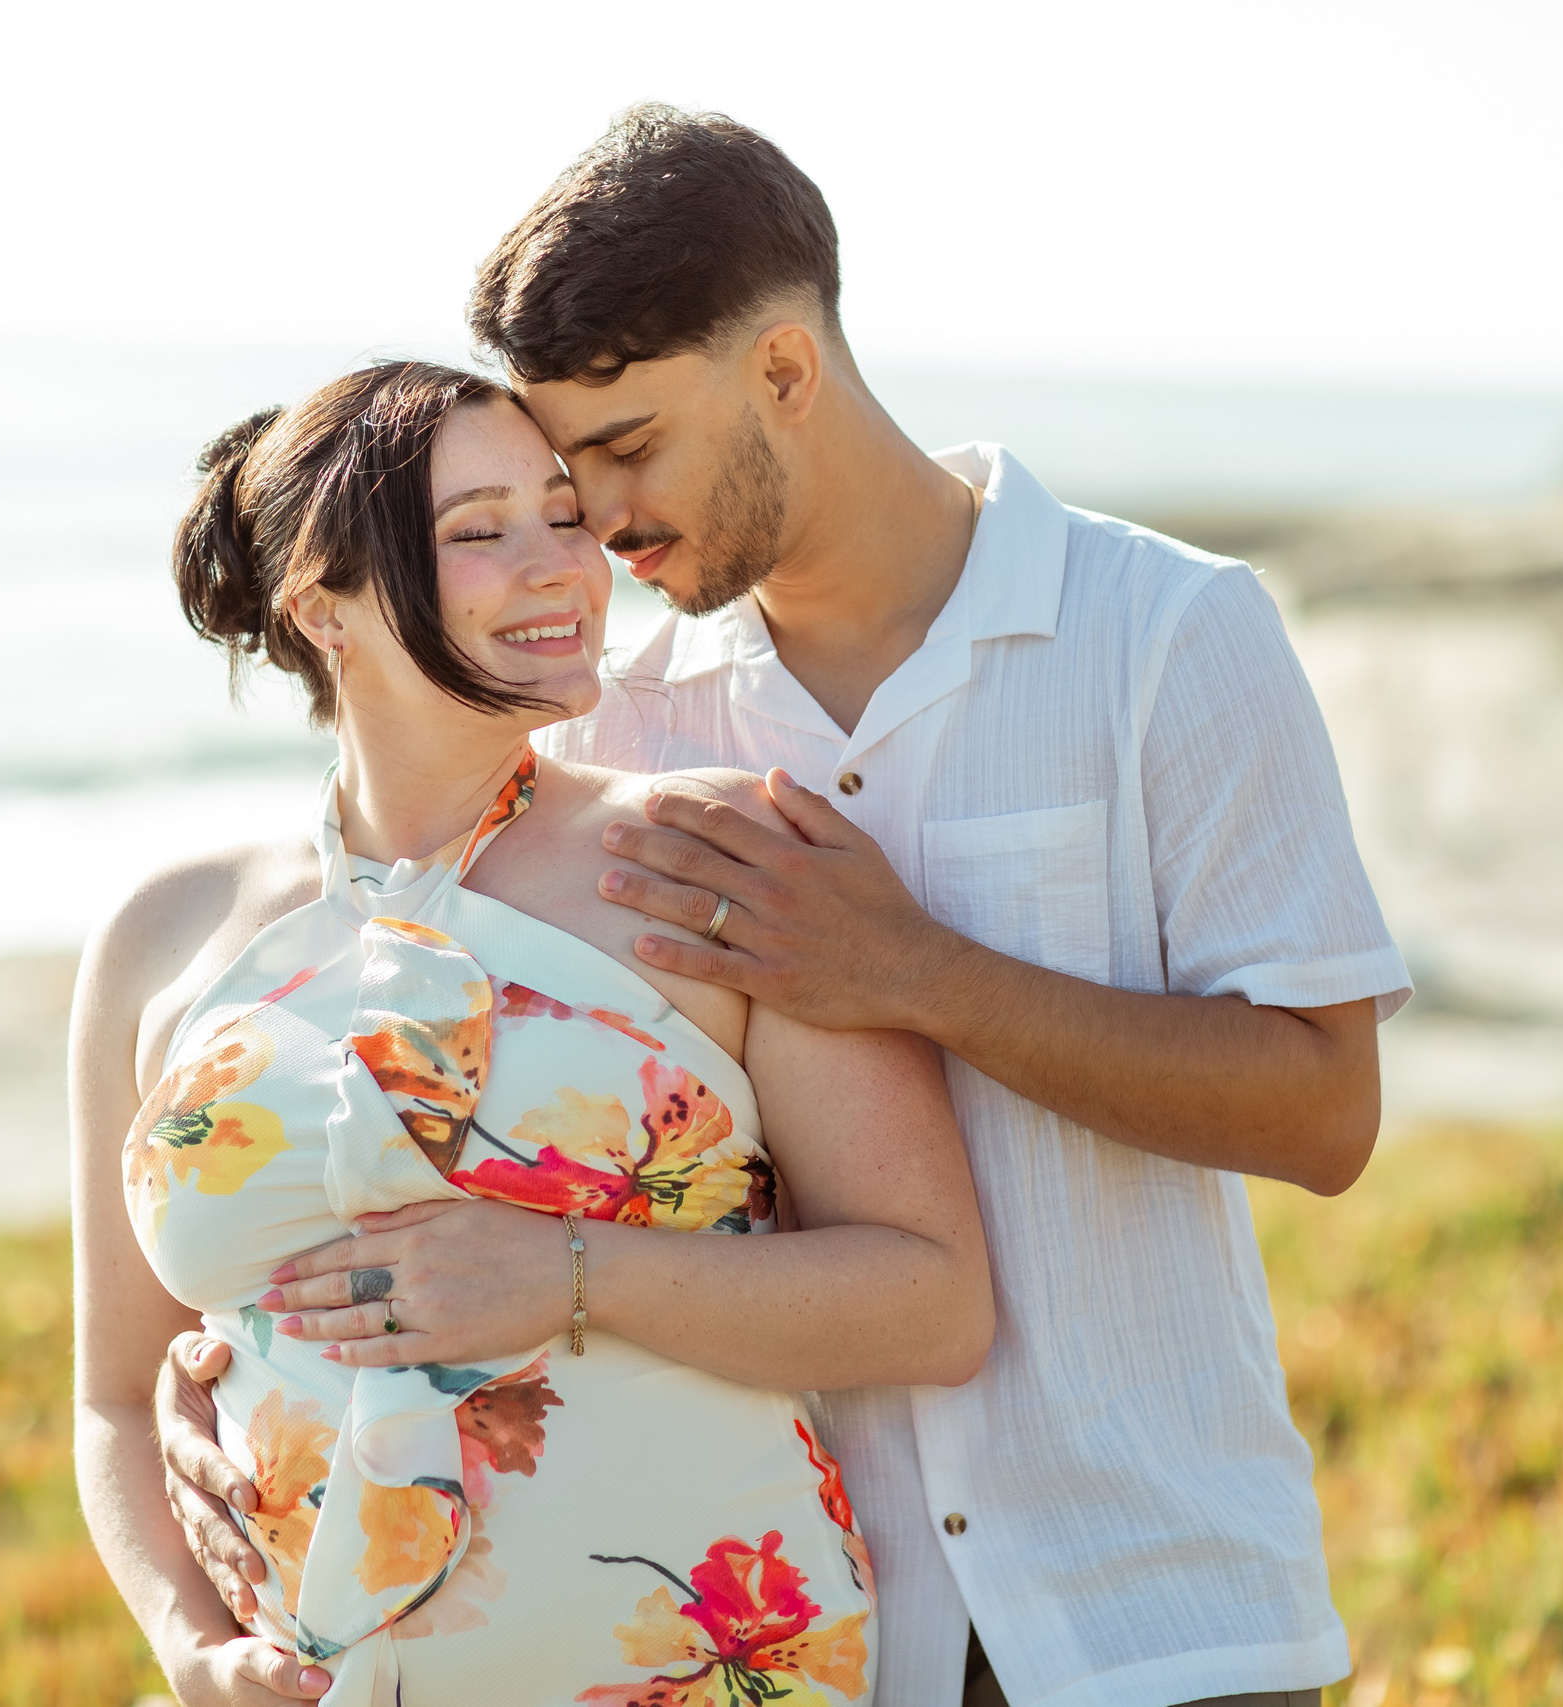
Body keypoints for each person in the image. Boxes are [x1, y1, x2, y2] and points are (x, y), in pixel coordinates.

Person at [157, 108, 1414, 1707]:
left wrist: (921, 973)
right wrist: (219, 1382)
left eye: (625, 451)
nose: (596, 525)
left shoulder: (1166, 634)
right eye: (560, 473)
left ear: (785, 373)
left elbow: (1323, 1111)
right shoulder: (611, 717)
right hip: (796, 1621)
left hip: (1156, 1606)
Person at [71, 357, 997, 1707]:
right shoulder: (164, 936)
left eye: (564, 515)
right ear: (324, 609)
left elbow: (933, 1300)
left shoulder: (716, 853)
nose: (562, 565)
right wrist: (188, 1642)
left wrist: (569, 1272)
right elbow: (110, 1396)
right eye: (477, 532)